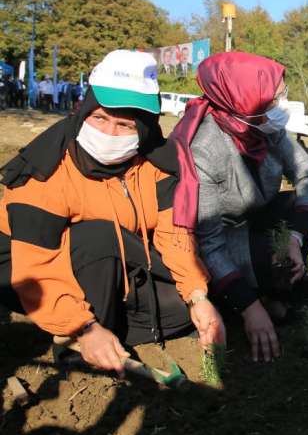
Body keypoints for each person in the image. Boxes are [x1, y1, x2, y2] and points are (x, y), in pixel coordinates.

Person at [0, 50, 225, 375]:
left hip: (115, 262)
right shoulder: (44, 170)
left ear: (145, 129)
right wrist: (83, 327)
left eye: (124, 125)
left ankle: (113, 328)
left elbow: (173, 236)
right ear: (83, 112)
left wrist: (197, 295)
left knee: (183, 309)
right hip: (29, 272)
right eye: (100, 119)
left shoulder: (157, 164)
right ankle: (75, 341)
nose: (109, 134)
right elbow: (37, 267)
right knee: (98, 236)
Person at [169, 51, 308, 364]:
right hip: (218, 238)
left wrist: (295, 237)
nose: (283, 105)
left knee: (297, 206)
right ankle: (244, 295)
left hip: (254, 217)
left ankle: (276, 291)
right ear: (244, 99)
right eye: (276, 98)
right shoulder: (204, 149)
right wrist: (250, 309)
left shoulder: (265, 128)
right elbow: (209, 243)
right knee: (265, 255)